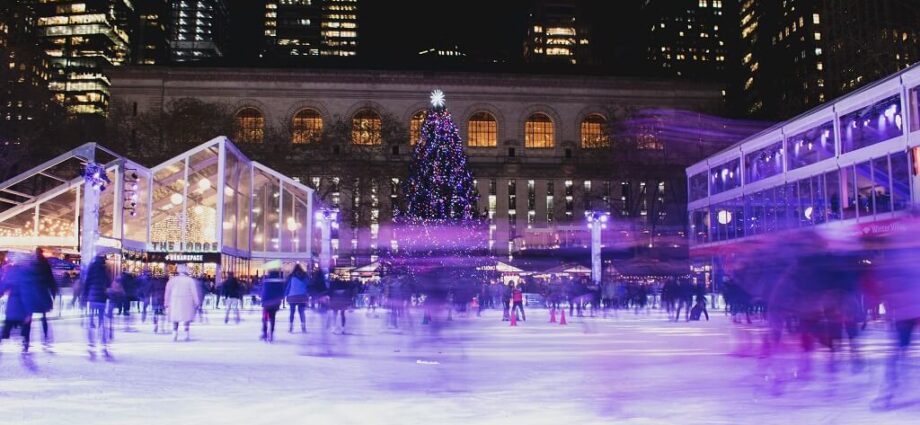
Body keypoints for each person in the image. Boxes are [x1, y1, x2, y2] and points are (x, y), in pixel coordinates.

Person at [0, 253, 35, 353]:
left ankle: (3, 339)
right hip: (24, 306)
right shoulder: (28, 273)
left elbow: (4, 285)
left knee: (7, 326)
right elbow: (29, 293)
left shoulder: (11, 272)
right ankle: (25, 344)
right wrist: (29, 312)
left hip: (13, 304)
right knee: (25, 328)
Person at [82, 255, 112, 357]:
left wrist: (85, 297)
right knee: (102, 322)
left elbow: (87, 283)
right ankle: (103, 345)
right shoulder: (105, 270)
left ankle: (91, 345)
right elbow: (108, 284)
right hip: (101, 299)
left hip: (92, 298)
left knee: (91, 323)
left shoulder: (91, 268)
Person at [164, 265, 201, 342]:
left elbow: (167, 292)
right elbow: (194, 292)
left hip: (174, 300)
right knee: (186, 318)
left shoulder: (172, 280)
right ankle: (186, 334)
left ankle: (174, 334)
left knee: (175, 318)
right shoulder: (190, 280)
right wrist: (197, 302)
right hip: (187, 300)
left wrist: (166, 302)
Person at [30, 248, 58, 345]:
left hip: (33, 293)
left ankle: (26, 338)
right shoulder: (45, 264)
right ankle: (45, 335)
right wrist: (53, 292)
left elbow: (28, 278)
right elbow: (50, 279)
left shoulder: (32, 264)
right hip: (42, 293)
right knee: (44, 317)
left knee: (29, 315)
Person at [260, 269, 285, 342]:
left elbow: (262, 291)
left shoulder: (266, 281)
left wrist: (262, 299)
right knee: (272, 318)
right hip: (275, 302)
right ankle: (271, 332)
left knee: (265, 318)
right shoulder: (280, 282)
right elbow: (282, 293)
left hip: (266, 302)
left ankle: (264, 333)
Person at [285, 264, 310, 333]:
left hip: (292, 296)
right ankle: (303, 327)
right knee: (301, 312)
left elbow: (288, 286)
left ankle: (290, 327)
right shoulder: (305, 276)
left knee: (292, 312)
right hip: (302, 296)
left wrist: (286, 294)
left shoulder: (291, 276)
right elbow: (308, 286)